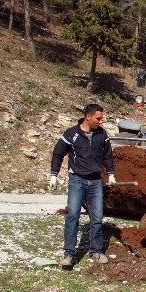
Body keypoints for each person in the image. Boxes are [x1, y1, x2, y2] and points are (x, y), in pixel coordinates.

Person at [50, 104, 115, 267]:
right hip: (77, 180)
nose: (100, 121)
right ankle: (69, 254)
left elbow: (108, 155)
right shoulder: (72, 134)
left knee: (97, 217)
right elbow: (58, 153)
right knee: (72, 215)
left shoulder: (102, 135)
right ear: (88, 116)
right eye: (98, 118)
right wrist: (53, 175)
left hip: (95, 181)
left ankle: (96, 251)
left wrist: (111, 174)